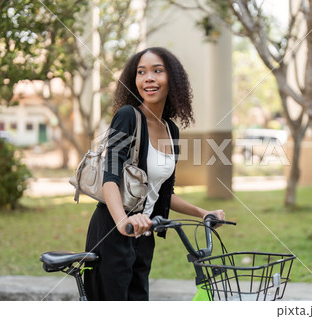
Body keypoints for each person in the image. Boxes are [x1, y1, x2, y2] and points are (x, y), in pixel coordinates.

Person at [84, 47, 225, 301]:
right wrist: (123, 223)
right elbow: (110, 178)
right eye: (141, 72)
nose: (148, 78)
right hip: (113, 232)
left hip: (145, 234)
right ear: (133, 80)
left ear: (173, 79)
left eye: (157, 71)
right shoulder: (127, 117)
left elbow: (164, 193)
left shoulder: (171, 129)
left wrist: (202, 212)